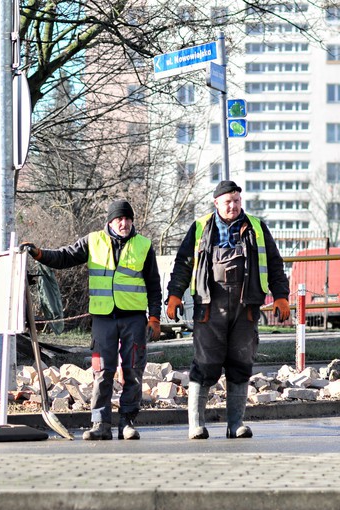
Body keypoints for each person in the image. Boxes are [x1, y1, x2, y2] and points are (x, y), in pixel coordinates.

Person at [22, 200, 162, 440]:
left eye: (128, 219)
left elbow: (154, 285)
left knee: (133, 371)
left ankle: (127, 423)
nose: (124, 223)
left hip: (134, 319)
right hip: (104, 318)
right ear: (110, 221)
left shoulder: (144, 246)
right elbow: (65, 257)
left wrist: (155, 317)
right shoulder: (93, 241)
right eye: (119, 218)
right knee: (102, 371)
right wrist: (39, 254)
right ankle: (100, 424)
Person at [166, 180, 290, 440]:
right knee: (205, 363)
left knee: (241, 362)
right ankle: (196, 425)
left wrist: (281, 296)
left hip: (245, 308)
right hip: (209, 307)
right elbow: (183, 264)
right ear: (216, 204)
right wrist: (174, 295)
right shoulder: (200, 228)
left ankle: (236, 424)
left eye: (236, 201)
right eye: (227, 202)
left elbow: (275, 264)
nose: (232, 206)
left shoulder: (256, 228)